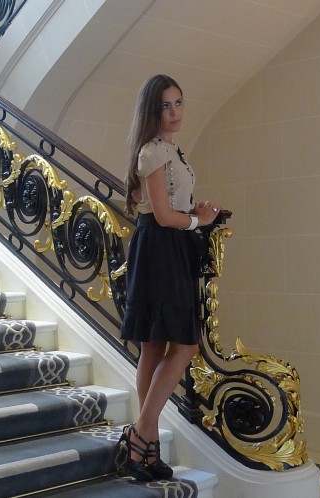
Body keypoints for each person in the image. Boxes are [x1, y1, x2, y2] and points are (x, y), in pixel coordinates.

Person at [118, 74, 221, 482]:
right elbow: (162, 216)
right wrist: (198, 220)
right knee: (182, 345)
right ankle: (142, 434)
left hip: (166, 247)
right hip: (160, 248)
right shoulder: (153, 152)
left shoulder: (168, 149)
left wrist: (195, 211)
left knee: (155, 347)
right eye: (166, 105)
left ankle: (146, 447)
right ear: (152, 110)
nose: (175, 112)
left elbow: (169, 206)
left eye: (179, 103)